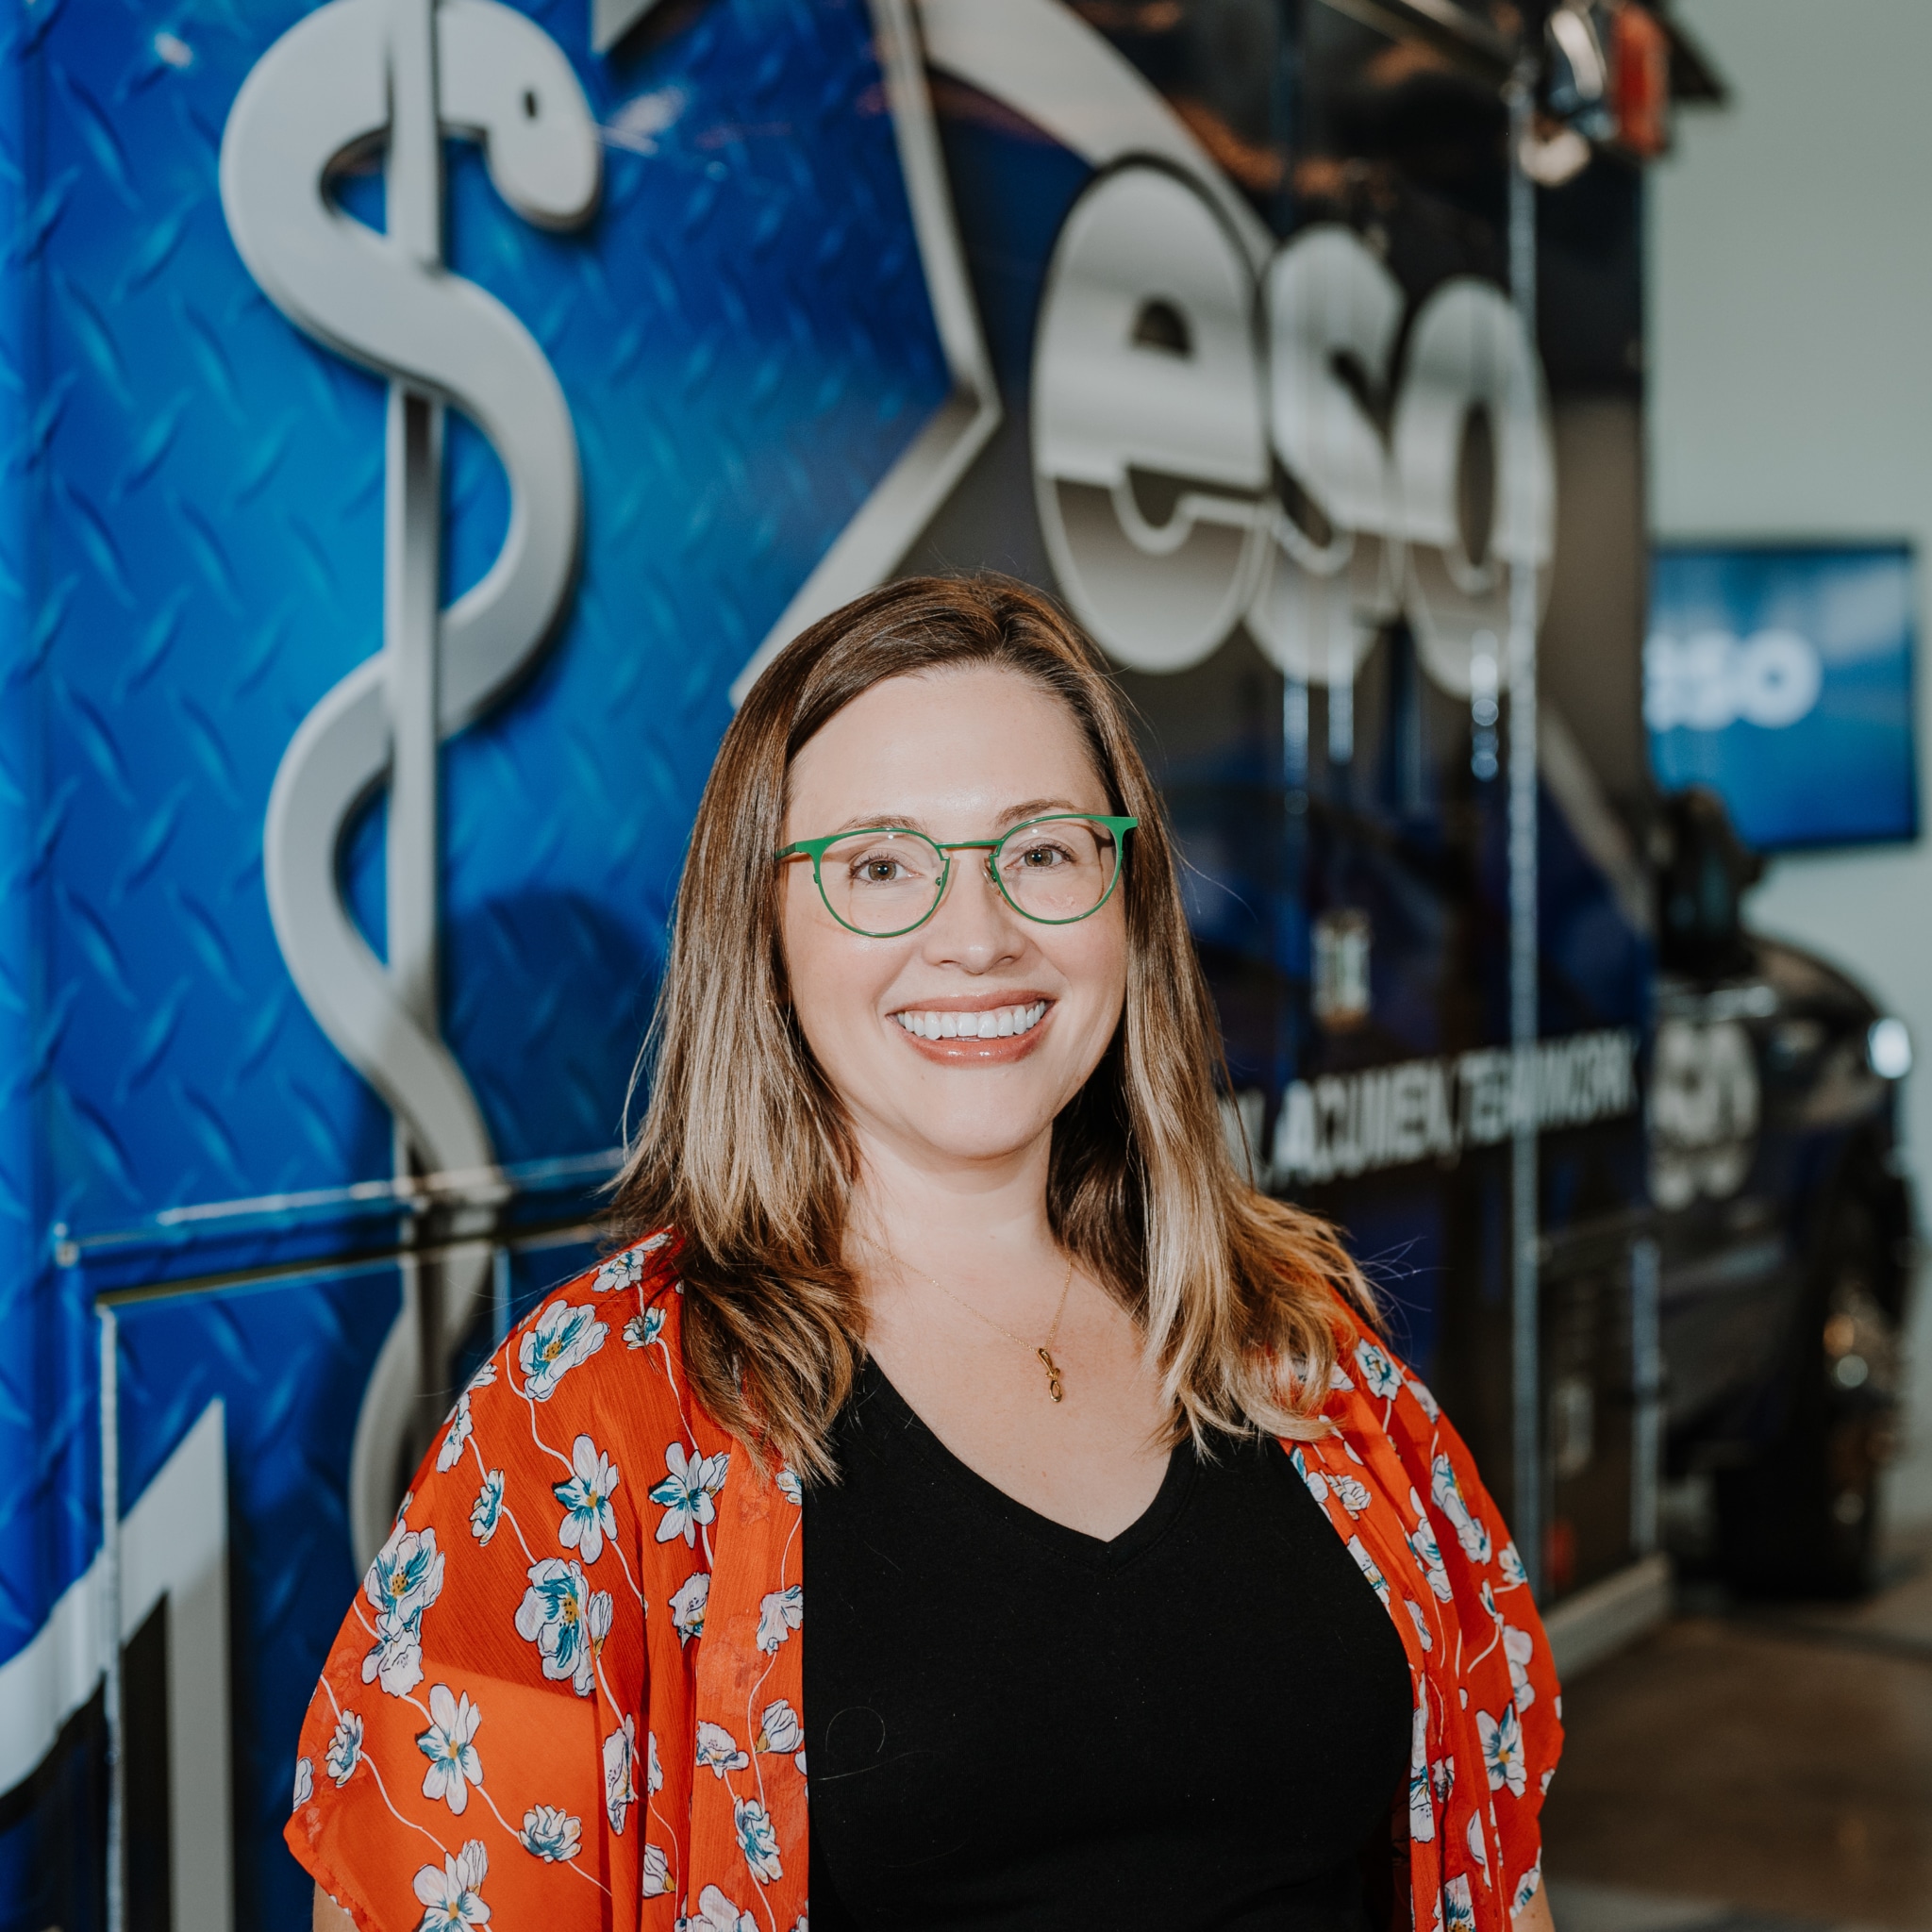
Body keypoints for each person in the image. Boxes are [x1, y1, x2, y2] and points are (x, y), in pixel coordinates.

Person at [294, 575, 1560, 1932]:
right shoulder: (588, 1421)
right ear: (764, 931)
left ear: (1125, 902)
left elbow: (1498, 1867)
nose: (978, 939)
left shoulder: (1296, 1348)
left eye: (1044, 852)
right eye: (881, 866)